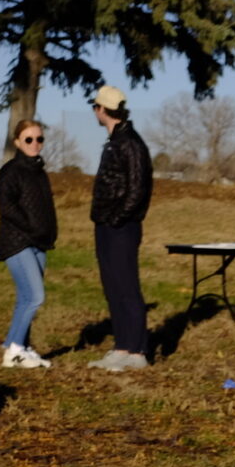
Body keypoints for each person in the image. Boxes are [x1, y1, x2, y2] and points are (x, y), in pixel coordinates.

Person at [86, 84, 153, 372]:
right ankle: (122, 347)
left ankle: (137, 351)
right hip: (107, 226)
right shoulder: (117, 141)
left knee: (127, 288)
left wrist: (117, 218)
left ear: (101, 110)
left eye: (95, 107)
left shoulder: (130, 143)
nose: (95, 112)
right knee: (113, 287)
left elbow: (138, 189)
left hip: (122, 228)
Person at [0, 118, 57, 369]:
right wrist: (31, 228)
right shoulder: (10, 171)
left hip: (39, 243)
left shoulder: (39, 172)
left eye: (39, 139)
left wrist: (49, 233)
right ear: (18, 142)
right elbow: (6, 207)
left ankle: (17, 345)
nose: (35, 144)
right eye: (29, 139)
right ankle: (15, 352)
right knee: (35, 296)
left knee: (25, 298)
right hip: (17, 242)